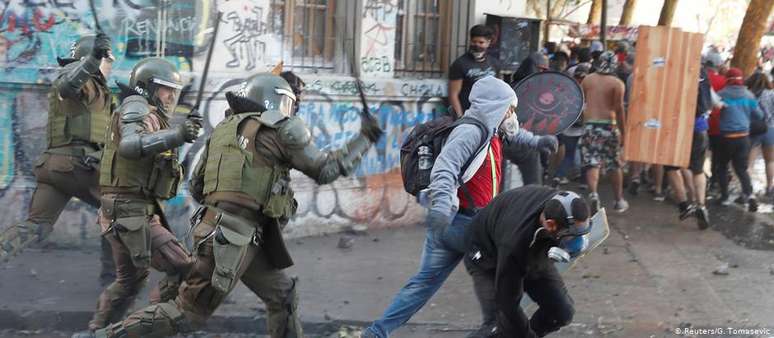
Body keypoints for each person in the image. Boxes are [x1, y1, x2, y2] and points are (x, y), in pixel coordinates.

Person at [92, 72, 384, 338]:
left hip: (234, 233)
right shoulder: (281, 128)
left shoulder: (223, 130)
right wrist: (364, 138)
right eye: (285, 101)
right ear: (272, 101)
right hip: (233, 239)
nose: (289, 109)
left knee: (283, 296)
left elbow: (196, 186)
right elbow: (325, 170)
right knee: (187, 313)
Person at [361, 76, 558, 338]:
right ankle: (496, 324)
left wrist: (537, 142)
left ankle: (376, 333)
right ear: (494, 106)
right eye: (509, 108)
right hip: (464, 223)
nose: (512, 114)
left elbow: (515, 133)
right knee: (509, 271)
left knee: (423, 284)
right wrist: (441, 209)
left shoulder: (491, 129)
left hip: (461, 223)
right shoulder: (471, 132)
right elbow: (445, 169)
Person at [86, 57, 200, 331]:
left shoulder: (153, 115)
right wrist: (178, 135)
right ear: (147, 87)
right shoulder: (138, 107)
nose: (172, 95)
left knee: (129, 281)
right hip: (131, 213)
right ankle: (144, 328)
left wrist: (179, 138)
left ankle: (98, 330)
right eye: (165, 88)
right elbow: (130, 145)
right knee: (183, 268)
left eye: (175, 89)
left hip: (125, 212)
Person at [0, 34, 117, 285]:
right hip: (76, 166)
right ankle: (112, 280)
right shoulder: (78, 76)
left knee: (36, 226)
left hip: (54, 168)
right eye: (108, 59)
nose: (111, 64)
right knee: (117, 212)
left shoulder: (98, 88)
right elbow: (67, 86)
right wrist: (93, 60)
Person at [465, 186, 590, 337]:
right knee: (498, 325)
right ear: (550, 224)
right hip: (487, 255)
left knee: (561, 312)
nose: (576, 243)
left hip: (536, 245)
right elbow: (508, 304)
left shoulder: (562, 205)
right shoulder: (515, 243)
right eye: (571, 236)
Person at [662, 62, 715, 229]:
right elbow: (710, 102)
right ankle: (701, 205)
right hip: (700, 127)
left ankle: (684, 205)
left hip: (676, 126)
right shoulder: (702, 73)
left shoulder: (673, 71)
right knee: (698, 169)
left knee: (671, 167)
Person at [580, 51, 629, 213]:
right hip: (609, 125)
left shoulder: (588, 79)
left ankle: (593, 194)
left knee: (592, 162)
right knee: (614, 164)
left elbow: (582, 103)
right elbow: (619, 109)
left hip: (590, 126)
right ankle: (619, 200)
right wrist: (623, 132)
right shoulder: (617, 84)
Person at [716, 67, 764, 211]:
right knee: (741, 169)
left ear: (727, 80)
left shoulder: (721, 94)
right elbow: (759, 115)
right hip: (743, 138)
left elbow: (714, 110)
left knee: (722, 167)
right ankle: (750, 196)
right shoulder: (749, 96)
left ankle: (724, 197)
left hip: (726, 137)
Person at [505, 52, 550, 186]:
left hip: (530, 134)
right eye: (539, 68)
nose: (541, 73)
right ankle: (534, 194)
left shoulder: (540, 90)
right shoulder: (513, 89)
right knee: (531, 155)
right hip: (508, 136)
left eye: (545, 70)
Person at [449, 25, 501, 118]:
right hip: (468, 115)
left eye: (481, 42)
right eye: (474, 42)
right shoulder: (460, 64)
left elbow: (498, 90)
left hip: (489, 114)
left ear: (488, 43)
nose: (477, 45)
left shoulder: (494, 63)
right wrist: (460, 117)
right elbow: (453, 95)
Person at [744, 72, 774, 197]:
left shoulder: (748, 94)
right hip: (771, 129)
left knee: (749, 164)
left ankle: (747, 191)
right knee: (770, 161)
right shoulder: (772, 94)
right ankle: (769, 187)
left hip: (753, 130)